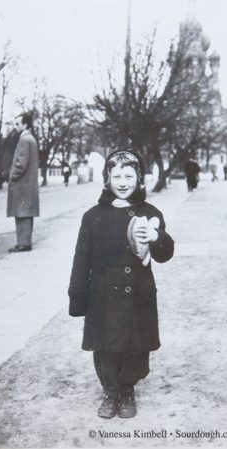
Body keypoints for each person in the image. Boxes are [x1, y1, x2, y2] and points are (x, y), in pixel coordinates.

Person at [68, 149, 174, 419]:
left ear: (139, 179)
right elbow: (81, 259)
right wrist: (78, 297)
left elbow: (164, 254)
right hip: (102, 292)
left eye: (129, 175)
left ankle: (127, 390)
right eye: (116, 176)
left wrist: (156, 235)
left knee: (135, 346)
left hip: (138, 291)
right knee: (105, 346)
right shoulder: (93, 216)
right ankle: (110, 391)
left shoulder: (150, 213)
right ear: (107, 178)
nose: (123, 182)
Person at [7, 113, 39, 253]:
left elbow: (21, 163)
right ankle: (25, 242)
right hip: (28, 184)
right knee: (26, 213)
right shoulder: (31, 139)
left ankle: (23, 244)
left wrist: (13, 176)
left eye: (18, 123)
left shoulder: (24, 140)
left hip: (22, 183)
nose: (16, 126)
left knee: (21, 213)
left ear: (25, 125)